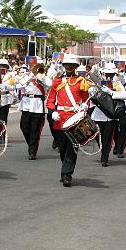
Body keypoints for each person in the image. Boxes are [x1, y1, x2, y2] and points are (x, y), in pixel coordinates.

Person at [46, 54, 90, 187]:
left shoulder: (81, 81)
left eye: (72, 65)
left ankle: (67, 175)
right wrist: (52, 111)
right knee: (63, 147)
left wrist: (84, 106)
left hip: (74, 118)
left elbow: (86, 100)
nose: (69, 67)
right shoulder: (57, 81)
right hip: (59, 118)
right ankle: (65, 170)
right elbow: (50, 100)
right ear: (64, 66)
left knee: (71, 148)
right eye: (67, 65)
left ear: (76, 67)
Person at [90, 63, 126, 167]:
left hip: (110, 116)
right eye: (107, 73)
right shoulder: (98, 83)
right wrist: (96, 88)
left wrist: (111, 92)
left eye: (111, 74)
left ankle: (104, 158)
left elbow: (124, 95)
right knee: (97, 136)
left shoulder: (117, 84)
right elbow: (91, 94)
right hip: (98, 114)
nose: (109, 76)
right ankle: (103, 149)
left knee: (107, 138)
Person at [16, 64, 49, 160]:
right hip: (26, 103)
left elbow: (49, 84)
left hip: (38, 105)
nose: (36, 70)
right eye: (34, 68)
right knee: (24, 126)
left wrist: (39, 78)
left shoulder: (44, 77)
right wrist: (29, 77)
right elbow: (19, 85)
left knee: (35, 129)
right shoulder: (27, 76)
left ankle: (32, 151)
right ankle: (31, 144)